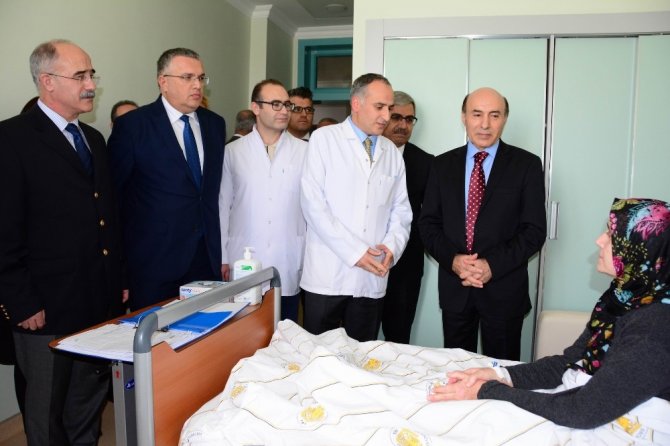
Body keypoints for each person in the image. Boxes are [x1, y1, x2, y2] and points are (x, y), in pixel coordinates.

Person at [429, 198, 670, 434]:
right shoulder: (624, 298)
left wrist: (487, 391)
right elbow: (569, 362)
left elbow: (582, 411)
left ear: (642, 249)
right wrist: (500, 374)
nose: (599, 240)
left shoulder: (653, 329)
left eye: (611, 235)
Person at [0, 39, 124, 445]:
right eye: (80, 76)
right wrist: (21, 301)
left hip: (96, 300)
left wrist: (118, 279)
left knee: (87, 401)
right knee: (47, 410)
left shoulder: (93, 139)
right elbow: (4, 230)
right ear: (47, 81)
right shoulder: (12, 138)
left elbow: (106, 217)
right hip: (45, 307)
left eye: (91, 75)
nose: (91, 84)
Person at [419, 87, 546, 361]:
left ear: (505, 119)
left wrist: (491, 266)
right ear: (464, 117)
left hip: (505, 291)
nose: (485, 124)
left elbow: (534, 231)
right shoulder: (441, 165)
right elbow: (428, 225)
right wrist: (453, 260)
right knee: (457, 370)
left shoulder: (526, 165)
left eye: (494, 115)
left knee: (500, 373)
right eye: (477, 114)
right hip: (456, 289)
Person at [108, 47, 226, 311]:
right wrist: (121, 268)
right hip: (153, 264)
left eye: (201, 78)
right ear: (163, 82)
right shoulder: (133, 126)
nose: (197, 85)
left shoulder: (214, 124)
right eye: (187, 77)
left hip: (204, 261)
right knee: (156, 335)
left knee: (207, 332)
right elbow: (115, 199)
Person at [300, 73, 412, 342]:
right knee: (319, 356)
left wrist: (391, 248)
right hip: (328, 276)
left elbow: (401, 211)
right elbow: (313, 205)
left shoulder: (392, 153)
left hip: (372, 276)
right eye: (379, 107)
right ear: (356, 104)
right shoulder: (324, 139)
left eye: (389, 108)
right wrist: (356, 252)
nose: (386, 116)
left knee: (362, 356)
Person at [219, 79, 308, 322]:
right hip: (243, 257)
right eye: (276, 104)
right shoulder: (233, 152)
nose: (284, 111)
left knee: (285, 329)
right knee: (244, 330)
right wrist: (223, 257)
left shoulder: (305, 151)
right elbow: (223, 206)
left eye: (287, 105)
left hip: (288, 256)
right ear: (256, 108)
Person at [381, 91, 434, 344]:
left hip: (406, 266)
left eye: (409, 119)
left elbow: (430, 218)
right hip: (362, 261)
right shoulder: (362, 155)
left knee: (399, 338)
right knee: (357, 337)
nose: (403, 125)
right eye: (396, 117)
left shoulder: (426, 163)